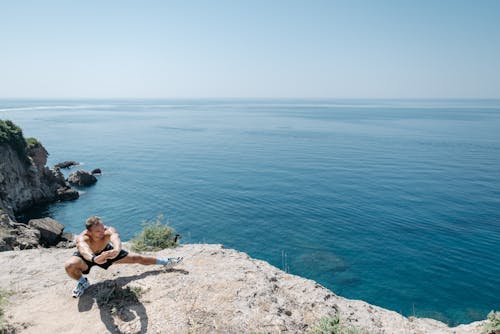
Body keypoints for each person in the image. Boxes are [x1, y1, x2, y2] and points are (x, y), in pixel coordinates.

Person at [65, 216, 183, 298]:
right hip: (89, 257)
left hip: (107, 252)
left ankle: (165, 262)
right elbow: (83, 248)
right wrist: (94, 258)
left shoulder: (107, 231)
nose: (102, 232)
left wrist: (116, 250)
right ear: (89, 232)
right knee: (70, 265)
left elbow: (115, 238)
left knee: (137, 258)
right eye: (98, 231)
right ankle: (82, 282)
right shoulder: (83, 237)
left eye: (103, 228)